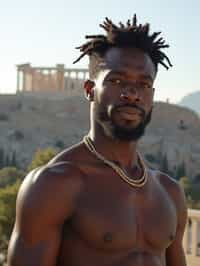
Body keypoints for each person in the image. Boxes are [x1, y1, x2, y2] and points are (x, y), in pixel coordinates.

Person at [7, 15, 187, 266]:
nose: (132, 93)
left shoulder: (170, 192)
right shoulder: (54, 185)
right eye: (116, 80)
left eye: (143, 84)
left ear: (152, 96)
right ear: (90, 90)